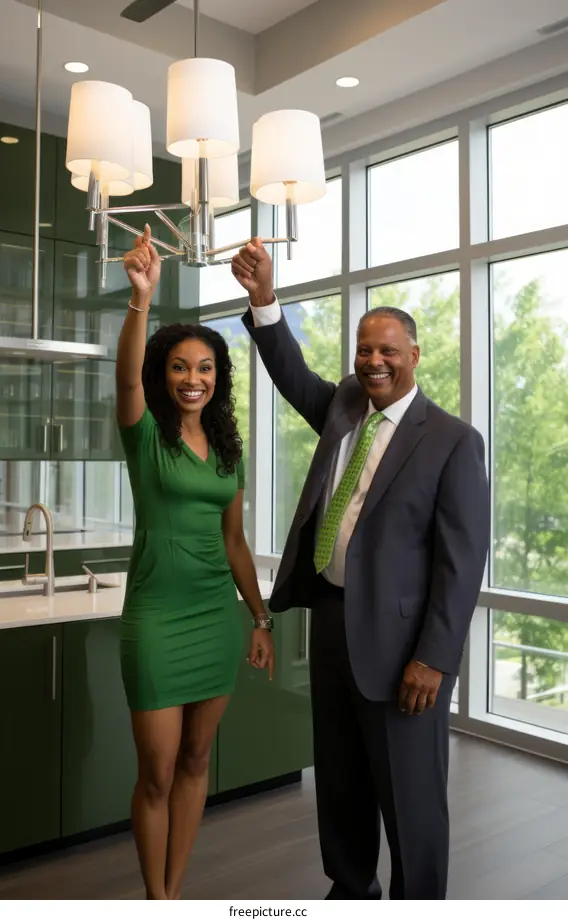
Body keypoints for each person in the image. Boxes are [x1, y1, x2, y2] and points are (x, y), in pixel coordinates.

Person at [231, 239, 490, 900]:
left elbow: (461, 564)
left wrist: (434, 657)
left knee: (411, 797)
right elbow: (292, 375)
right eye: (363, 350)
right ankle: (351, 888)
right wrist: (265, 302)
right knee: (340, 780)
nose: (372, 362)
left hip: (404, 650)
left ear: (415, 356)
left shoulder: (453, 441)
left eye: (387, 351)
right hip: (333, 621)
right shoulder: (346, 409)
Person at [116, 225, 275, 900]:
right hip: (155, 618)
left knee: (196, 760)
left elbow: (235, 542)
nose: (193, 378)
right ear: (164, 375)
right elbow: (125, 374)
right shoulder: (144, 435)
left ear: (218, 378)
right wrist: (141, 300)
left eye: (205, 367)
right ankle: (154, 898)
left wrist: (259, 617)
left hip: (216, 617)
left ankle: (172, 897)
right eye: (180, 366)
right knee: (155, 773)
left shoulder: (228, 450)